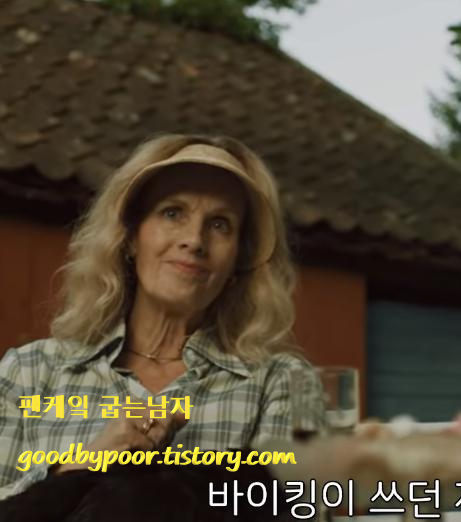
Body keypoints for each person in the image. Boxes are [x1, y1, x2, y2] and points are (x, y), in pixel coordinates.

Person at [0, 134, 324, 499]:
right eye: (172, 212)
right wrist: (87, 462)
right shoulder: (28, 374)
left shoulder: (281, 383)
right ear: (130, 237)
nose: (194, 240)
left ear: (239, 260)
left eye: (220, 224)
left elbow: (298, 510)